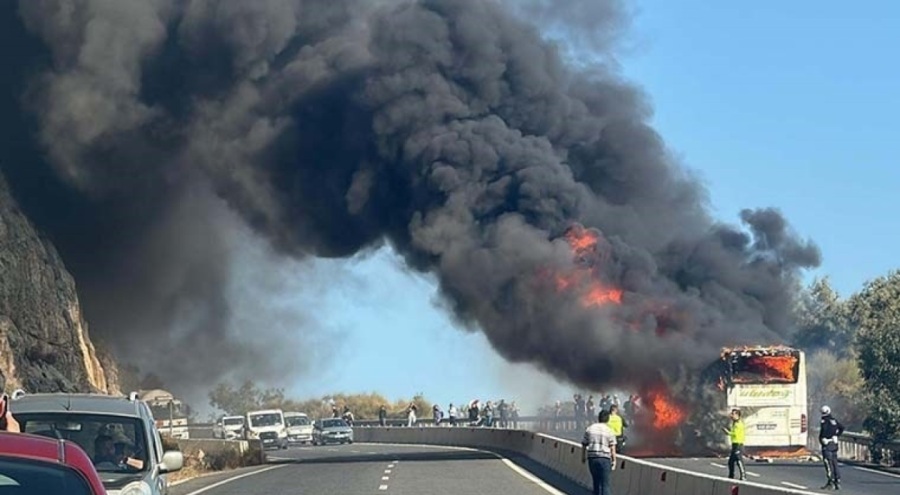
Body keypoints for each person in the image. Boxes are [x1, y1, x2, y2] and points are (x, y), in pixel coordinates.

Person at [582, 409, 617, 495]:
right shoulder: (609, 431)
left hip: (592, 459)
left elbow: (584, 444)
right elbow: (612, 448)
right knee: (605, 484)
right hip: (605, 459)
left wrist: (583, 457)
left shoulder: (590, 429)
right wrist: (614, 460)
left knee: (596, 483)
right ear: (608, 419)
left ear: (598, 418)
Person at [819, 405, 845, 490]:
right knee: (834, 463)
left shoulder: (824, 421)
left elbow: (824, 431)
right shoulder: (834, 420)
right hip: (834, 444)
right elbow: (842, 428)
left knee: (828, 463)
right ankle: (837, 481)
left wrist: (823, 439)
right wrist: (836, 435)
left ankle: (831, 482)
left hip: (827, 444)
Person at [722, 408, 746, 481]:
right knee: (731, 461)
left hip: (738, 444)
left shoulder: (738, 424)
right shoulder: (734, 423)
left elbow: (735, 434)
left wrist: (727, 432)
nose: (731, 416)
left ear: (737, 415)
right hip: (734, 444)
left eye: (733, 414)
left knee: (739, 460)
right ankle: (731, 475)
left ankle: (743, 475)